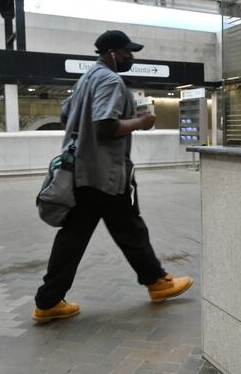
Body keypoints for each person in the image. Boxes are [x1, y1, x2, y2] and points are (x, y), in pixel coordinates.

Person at [32, 30, 193, 323]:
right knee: (128, 229)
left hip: (82, 171)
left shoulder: (85, 80)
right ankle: (157, 282)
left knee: (79, 236)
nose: (131, 57)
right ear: (112, 54)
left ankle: (47, 302)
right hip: (104, 174)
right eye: (127, 52)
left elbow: (66, 117)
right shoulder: (110, 79)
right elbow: (105, 126)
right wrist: (141, 122)